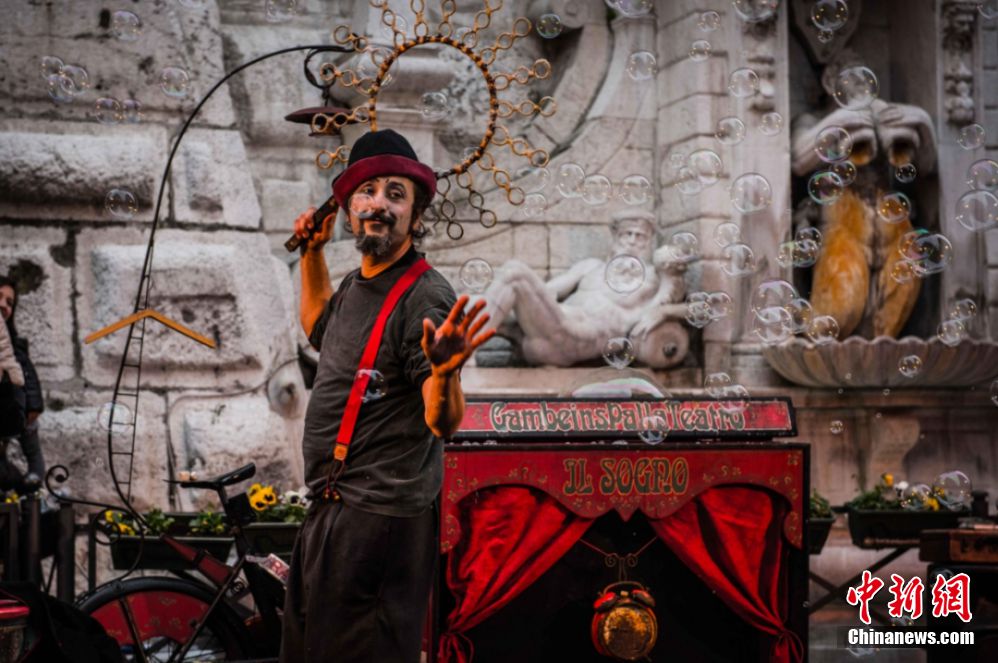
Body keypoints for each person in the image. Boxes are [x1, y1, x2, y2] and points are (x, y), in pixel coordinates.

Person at [280, 129, 494, 663]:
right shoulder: (355, 285)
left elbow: (443, 422)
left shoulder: (425, 295)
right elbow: (319, 328)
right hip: (334, 509)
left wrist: (445, 373)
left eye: (395, 194)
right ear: (349, 210)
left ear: (415, 217)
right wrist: (312, 253)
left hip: (377, 523)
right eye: (368, 191)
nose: (379, 204)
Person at [480, 211, 689, 368]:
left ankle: (465, 351)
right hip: (549, 329)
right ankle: (465, 341)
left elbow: (695, 309)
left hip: (576, 339)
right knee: (474, 300)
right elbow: (547, 291)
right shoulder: (590, 266)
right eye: (627, 234)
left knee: (515, 273)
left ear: (649, 242)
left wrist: (665, 311)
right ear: (616, 239)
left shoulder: (653, 278)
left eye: (640, 236)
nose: (633, 241)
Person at [0, 276, 45, 486]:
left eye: (10, 302)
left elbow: (27, 374)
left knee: (29, 429)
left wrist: (33, 404)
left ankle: (35, 472)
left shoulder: (13, 343)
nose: (3, 305)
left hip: (10, 403)